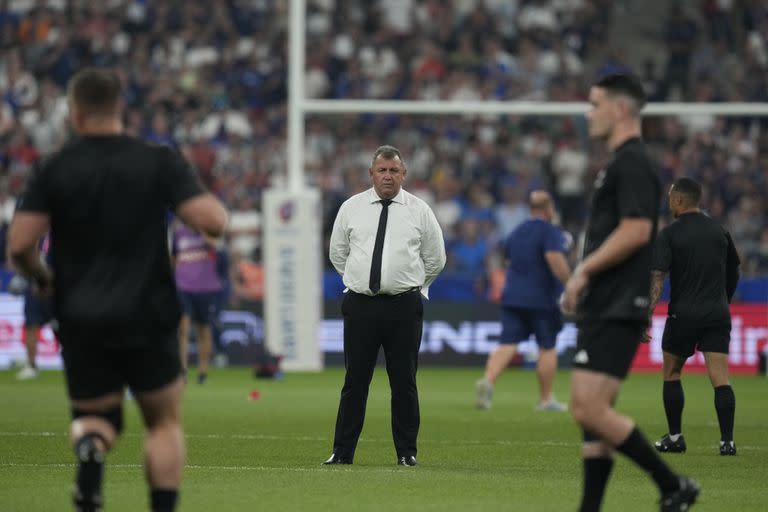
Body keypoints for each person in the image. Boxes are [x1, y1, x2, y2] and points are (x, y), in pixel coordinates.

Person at [8, 68, 227, 512]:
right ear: (119, 109)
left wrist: (45, 279)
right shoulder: (157, 161)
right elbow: (213, 222)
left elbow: (19, 246)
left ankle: (91, 450)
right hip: (149, 313)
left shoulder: (54, 167)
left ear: (75, 113)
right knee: (163, 423)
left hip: (82, 315)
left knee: (94, 418)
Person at [560, 73, 699, 512]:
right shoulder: (619, 163)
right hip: (609, 301)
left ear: (620, 109)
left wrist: (583, 271)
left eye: (595, 103)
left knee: (587, 408)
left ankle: (672, 483)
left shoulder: (633, 162)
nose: (589, 112)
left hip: (618, 302)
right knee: (594, 416)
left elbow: (638, 229)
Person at [324, 145, 446, 466]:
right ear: (372, 174)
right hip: (361, 305)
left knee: (404, 382)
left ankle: (407, 452)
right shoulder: (351, 207)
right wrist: (358, 279)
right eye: (382, 170)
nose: (388, 176)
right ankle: (342, 452)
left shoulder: (420, 210)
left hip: (403, 306)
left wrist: (415, 287)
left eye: (394, 171)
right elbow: (338, 253)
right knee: (355, 382)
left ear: (404, 174)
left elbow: (436, 258)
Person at [646, 177, 740, 456]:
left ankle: (675, 437)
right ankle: (727, 442)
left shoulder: (669, 234)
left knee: (672, 372)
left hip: (683, 314)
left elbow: (657, 278)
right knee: (721, 378)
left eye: (670, 197)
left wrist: (646, 316)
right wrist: (724, 301)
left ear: (678, 200)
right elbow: (734, 272)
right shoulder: (720, 232)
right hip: (716, 313)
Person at [475, 190, 571, 411]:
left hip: (512, 296)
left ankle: (488, 381)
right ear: (549, 209)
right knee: (547, 346)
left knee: (507, 342)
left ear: (530, 208)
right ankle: (546, 399)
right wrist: (570, 283)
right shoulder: (550, 231)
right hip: (542, 298)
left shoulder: (516, 232)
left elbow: (508, 262)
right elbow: (554, 258)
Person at [172, 220, 225, 384]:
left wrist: (203, 231)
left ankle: (202, 372)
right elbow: (174, 257)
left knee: (204, 329)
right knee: (183, 327)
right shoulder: (178, 233)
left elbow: (217, 247)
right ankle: (183, 371)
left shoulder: (209, 230)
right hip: (183, 285)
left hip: (205, 287)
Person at [14, 235, 54, 380]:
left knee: (67, 328)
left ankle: (79, 363)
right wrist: (21, 276)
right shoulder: (37, 236)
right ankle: (31, 366)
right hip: (34, 285)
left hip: (56, 286)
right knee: (31, 325)